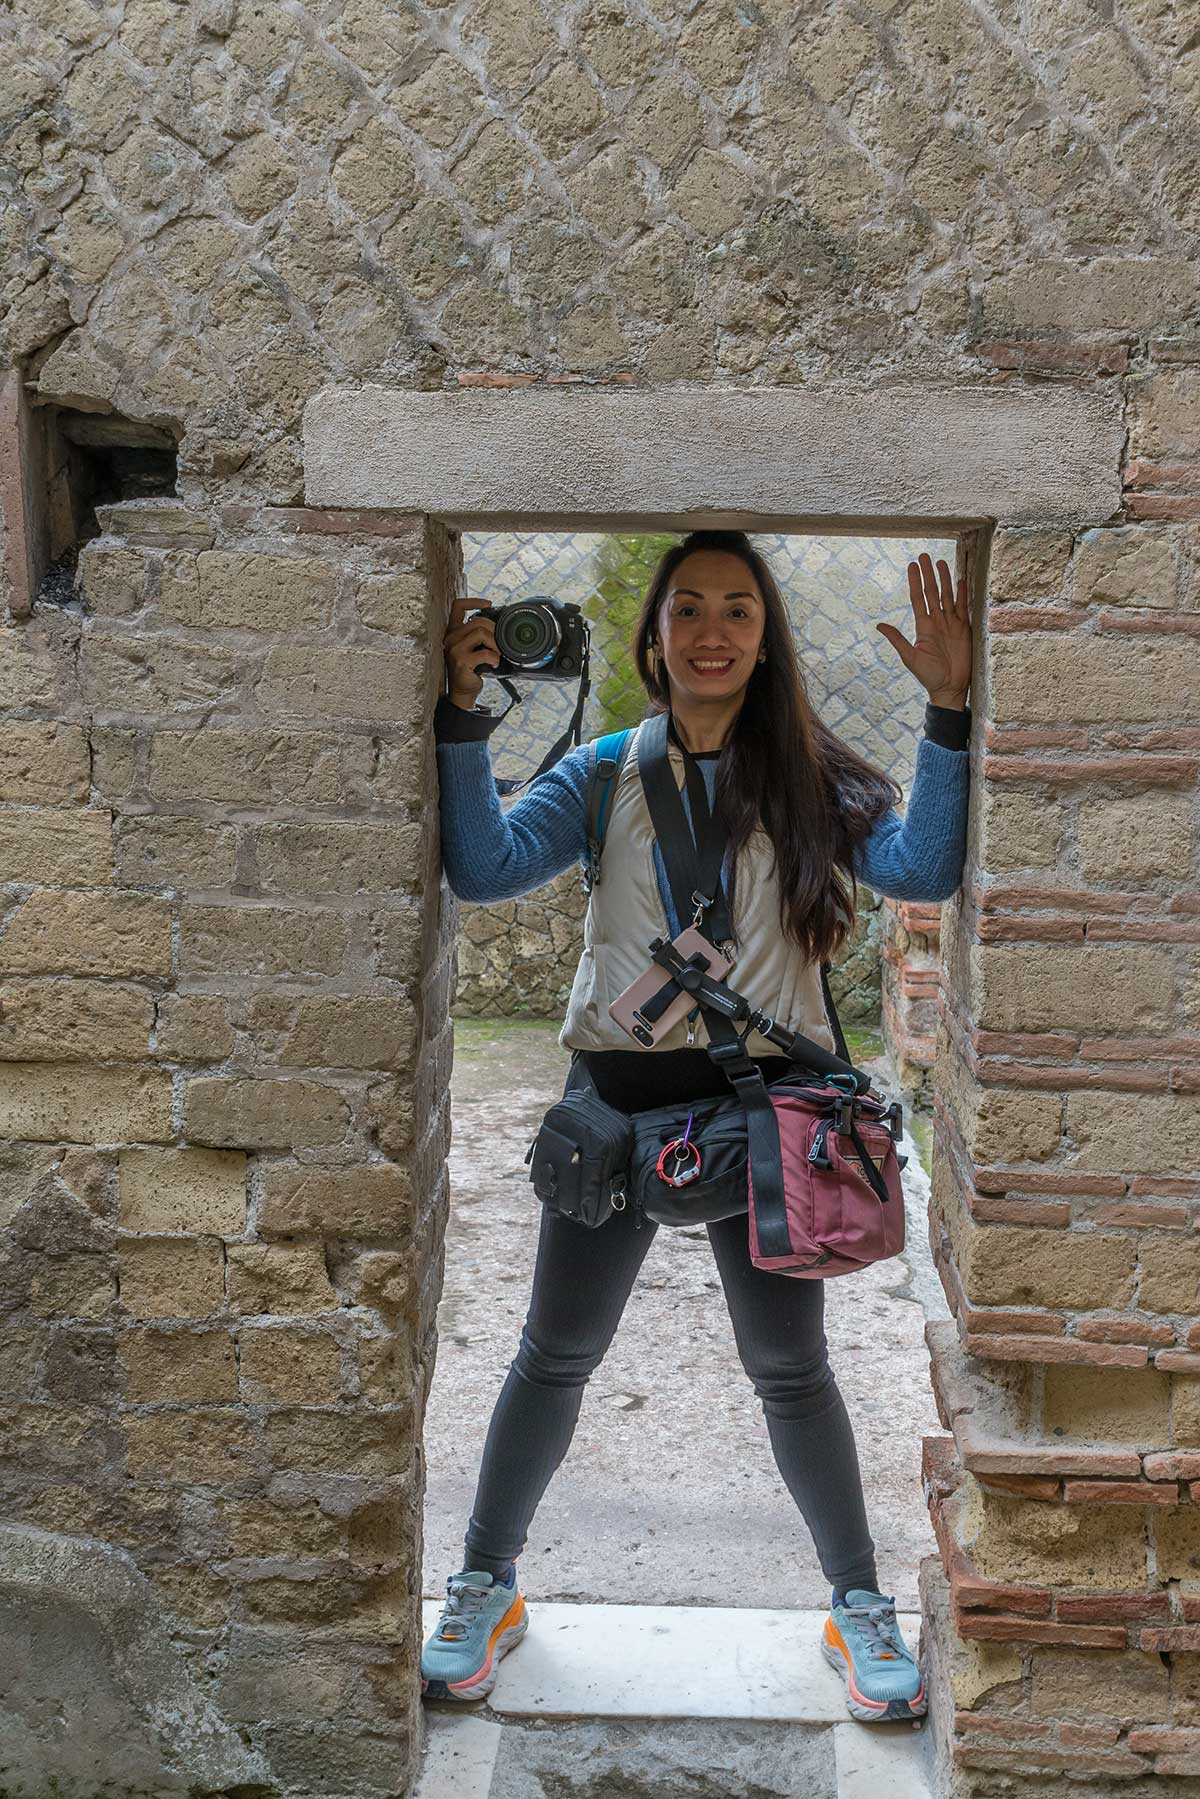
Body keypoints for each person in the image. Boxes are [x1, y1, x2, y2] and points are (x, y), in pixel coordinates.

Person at [421, 530, 971, 1721]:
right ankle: (483, 1583)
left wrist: (949, 709)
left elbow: (924, 864)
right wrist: (462, 720)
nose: (712, 631)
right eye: (689, 610)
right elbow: (481, 865)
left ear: (766, 637)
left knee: (790, 1369)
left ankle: (856, 1602)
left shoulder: (813, 779)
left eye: (737, 609)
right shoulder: (606, 771)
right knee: (554, 1355)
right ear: (654, 634)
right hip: (611, 1109)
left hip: (763, 1113)